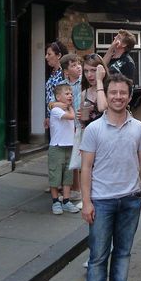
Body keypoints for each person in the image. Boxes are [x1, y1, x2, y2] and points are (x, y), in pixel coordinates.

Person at [80, 74, 141, 281]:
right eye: (114, 93)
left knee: (123, 252)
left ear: (129, 96)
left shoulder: (138, 128)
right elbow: (85, 168)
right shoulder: (93, 130)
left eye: (123, 93)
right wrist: (86, 202)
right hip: (102, 201)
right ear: (107, 95)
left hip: (131, 199)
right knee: (99, 256)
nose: (118, 97)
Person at [46, 83, 81, 214]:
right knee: (55, 175)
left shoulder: (65, 108)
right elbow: (72, 117)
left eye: (71, 94)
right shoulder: (56, 111)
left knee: (68, 176)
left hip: (69, 146)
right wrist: (69, 107)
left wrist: (68, 106)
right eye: (67, 94)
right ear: (58, 97)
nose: (70, 96)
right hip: (57, 147)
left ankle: (66, 200)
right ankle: (55, 201)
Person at [58, 54, 83, 206]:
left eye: (79, 63)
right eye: (74, 65)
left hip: (83, 124)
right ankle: (74, 190)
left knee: (83, 159)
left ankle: (80, 191)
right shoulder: (62, 86)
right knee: (71, 160)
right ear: (66, 71)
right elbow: (55, 102)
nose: (78, 67)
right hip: (68, 126)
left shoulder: (84, 82)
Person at [79, 54, 108, 129]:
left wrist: (99, 80)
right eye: (86, 71)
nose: (89, 75)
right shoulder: (84, 94)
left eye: (93, 70)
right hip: (91, 136)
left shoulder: (110, 90)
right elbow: (83, 124)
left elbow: (102, 108)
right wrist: (80, 118)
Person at [44, 40, 67, 131]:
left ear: (58, 55)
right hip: (53, 116)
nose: (46, 57)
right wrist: (48, 116)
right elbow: (49, 96)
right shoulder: (53, 73)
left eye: (49, 54)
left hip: (62, 117)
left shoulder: (64, 73)